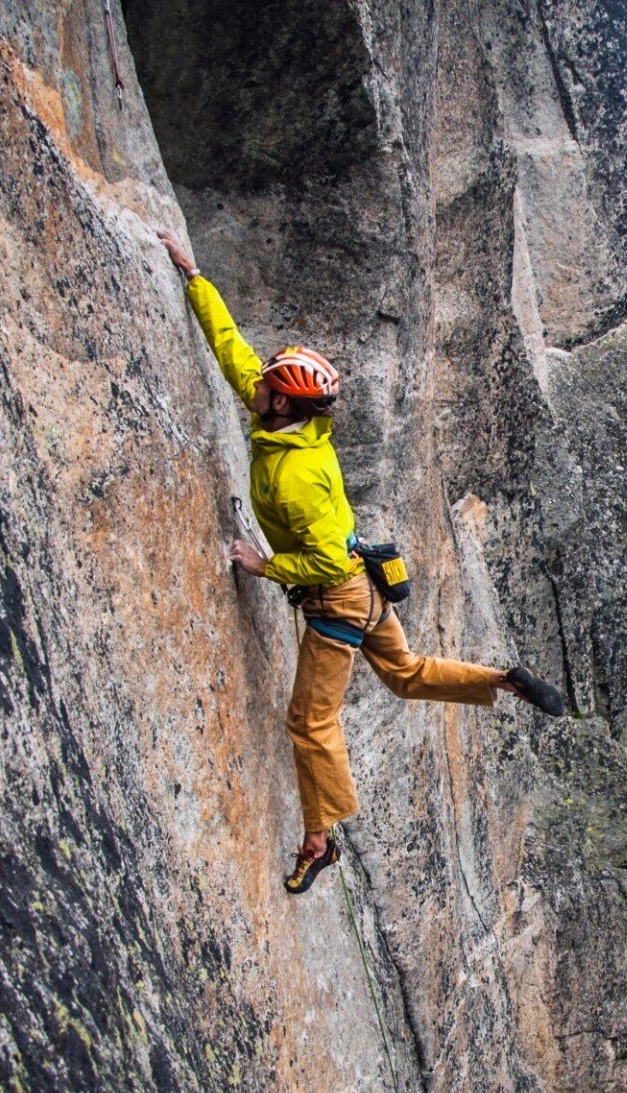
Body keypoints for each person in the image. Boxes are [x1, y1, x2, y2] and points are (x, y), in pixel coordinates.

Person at [158, 230, 566, 896]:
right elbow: (233, 354)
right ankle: (503, 678)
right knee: (404, 673)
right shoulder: (291, 423)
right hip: (365, 587)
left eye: (267, 383)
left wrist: (266, 567)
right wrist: (194, 277)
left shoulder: (296, 475)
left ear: (284, 403)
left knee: (310, 721)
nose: (255, 382)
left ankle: (319, 842)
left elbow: (317, 556)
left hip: (337, 600)